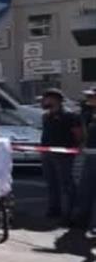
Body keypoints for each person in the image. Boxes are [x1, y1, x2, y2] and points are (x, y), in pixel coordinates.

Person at [39, 88, 83, 225]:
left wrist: (75, 147)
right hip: (47, 153)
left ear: (55, 99)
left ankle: (70, 212)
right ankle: (54, 209)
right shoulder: (46, 116)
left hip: (64, 154)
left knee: (66, 184)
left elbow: (78, 134)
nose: (43, 101)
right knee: (51, 183)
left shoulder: (70, 116)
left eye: (46, 98)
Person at [78, 88, 96, 235]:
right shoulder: (88, 114)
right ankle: (83, 221)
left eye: (91, 96)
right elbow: (85, 133)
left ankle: (93, 224)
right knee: (85, 190)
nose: (88, 98)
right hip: (90, 154)